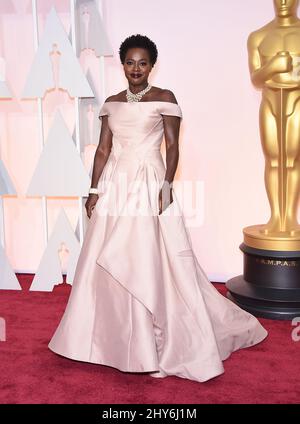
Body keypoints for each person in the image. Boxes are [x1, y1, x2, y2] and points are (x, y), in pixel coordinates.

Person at [48, 34, 268, 383]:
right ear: (122, 65)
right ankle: (111, 340)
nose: (136, 68)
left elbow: (172, 147)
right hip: (116, 185)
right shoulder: (111, 103)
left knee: (147, 256)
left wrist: (166, 185)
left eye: (143, 63)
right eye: (130, 62)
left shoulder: (165, 99)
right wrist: (93, 189)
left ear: (152, 65)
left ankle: (156, 340)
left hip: (148, 182)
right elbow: (103, 150)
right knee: (106, 256)